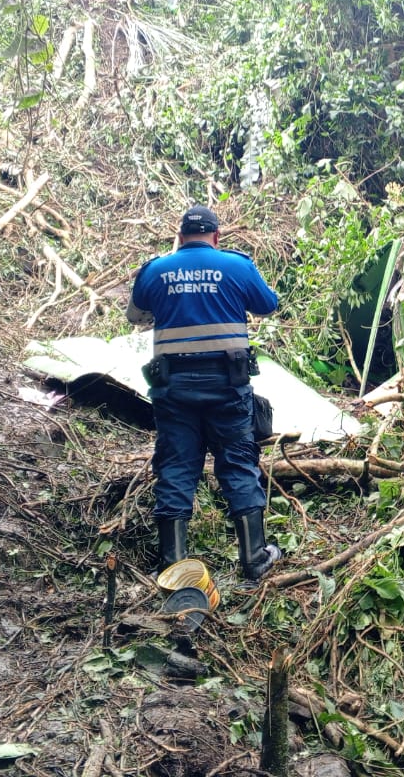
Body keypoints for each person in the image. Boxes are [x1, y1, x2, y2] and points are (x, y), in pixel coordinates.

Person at [127, 205, 282, 590]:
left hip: (174, 390)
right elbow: (269, 304)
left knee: (177, 466)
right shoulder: (237, 266)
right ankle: (254, 558)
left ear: (180, 238)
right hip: (227, 387)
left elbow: (134, 316)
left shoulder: (155, 270)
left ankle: (174, 569)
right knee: (237, 462)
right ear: (216, 237)